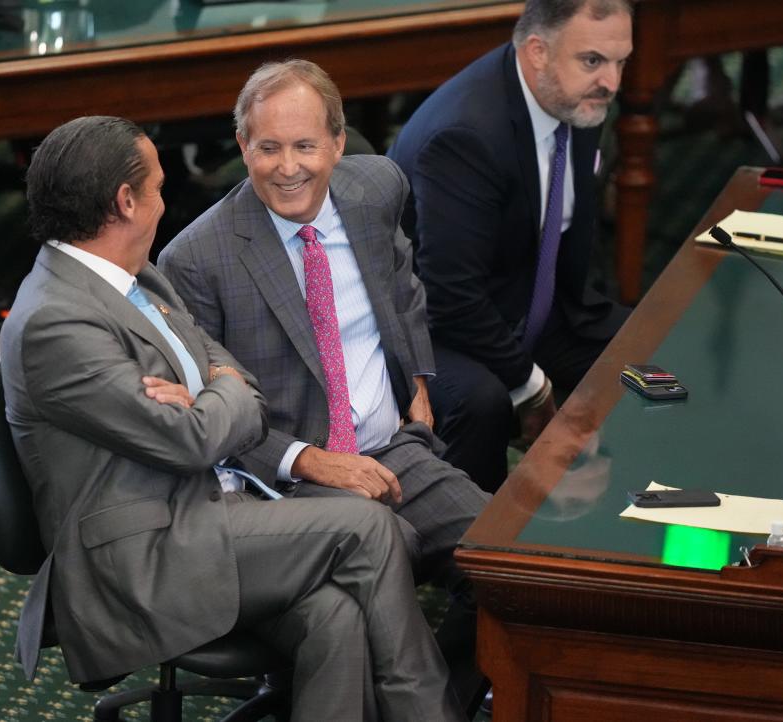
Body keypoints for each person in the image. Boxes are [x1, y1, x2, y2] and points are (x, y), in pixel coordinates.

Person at [0, 115, 465, 722]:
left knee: (335, 616)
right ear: (125, 201)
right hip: (146, 558)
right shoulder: (55, 322)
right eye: (161, 188)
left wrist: (215, 390)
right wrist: (219, 393)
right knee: (366, 528)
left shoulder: (134, 274)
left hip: (218, 513)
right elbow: (194, 437)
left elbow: (229, 372)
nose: (166, 204)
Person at [157, 60, 490, 715]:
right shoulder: (196, 259)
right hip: (284, 484)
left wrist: (417, 380)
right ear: (243, 147)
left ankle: (448, 697)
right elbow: (206, 419)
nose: (289, 168)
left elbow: (405, 289)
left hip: (394, 451)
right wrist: (310, 460)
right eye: (268, 148)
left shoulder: (376, 192)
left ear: (339, 144)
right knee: (382, 554)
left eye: (306, 146)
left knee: (508, 564)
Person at [387, 0, 633, 492]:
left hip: (521, 300)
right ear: (538, 52)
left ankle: (623, 505)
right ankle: (476, 548)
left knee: (649, 352)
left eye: (620, 62)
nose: (612, 82)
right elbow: (451, 300)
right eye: (593, 61)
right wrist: (533, 385)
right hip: (427, 327)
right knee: (484, 399)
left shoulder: (574, 97)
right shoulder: (466, 135)